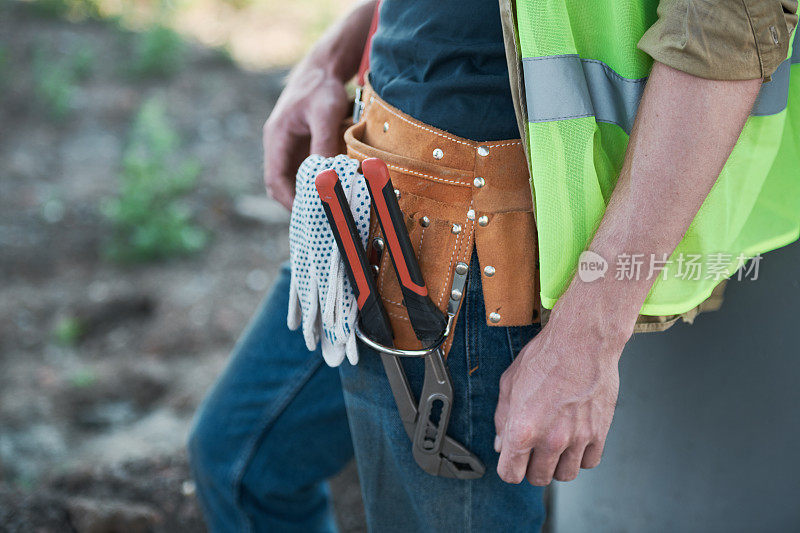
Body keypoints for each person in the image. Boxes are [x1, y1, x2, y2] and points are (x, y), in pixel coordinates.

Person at [189, 0, 799, 531]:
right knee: (240, 464)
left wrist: (585, 341)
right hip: (372, 175)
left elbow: (729, 24)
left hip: (477, 249)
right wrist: (337, 52)